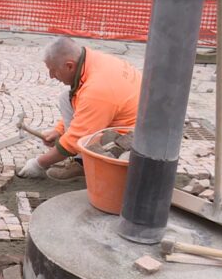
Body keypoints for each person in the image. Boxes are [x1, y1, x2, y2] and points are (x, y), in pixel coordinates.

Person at [17, 37, 142, 180]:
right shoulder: (92, 60)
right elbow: (84, 107)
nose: (51, 76)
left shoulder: (97, 89)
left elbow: (76, 138)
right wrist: (59, 131)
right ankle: (81, 159)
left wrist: (39, 164)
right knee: (66, 97)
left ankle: (82, 164)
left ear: (69, 66)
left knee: (82, 139)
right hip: (124, 117)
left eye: (53, 71)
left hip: (128, 141)